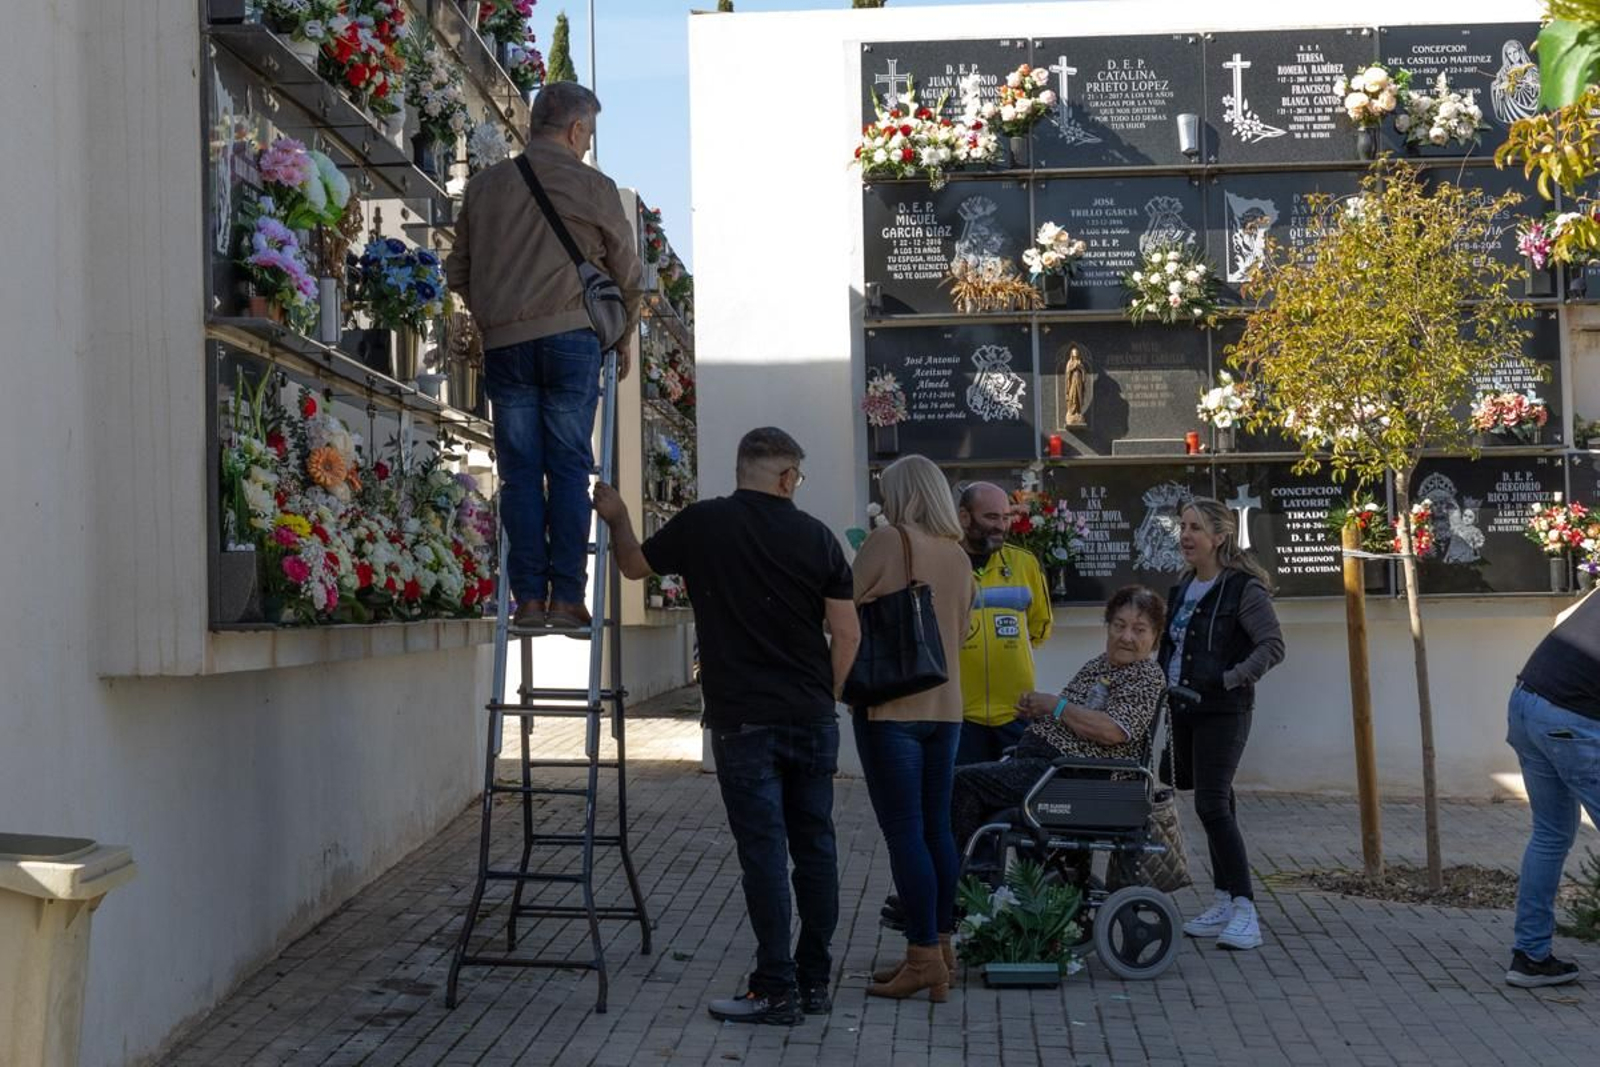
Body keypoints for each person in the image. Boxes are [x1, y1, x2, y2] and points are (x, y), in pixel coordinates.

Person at [591, 427, 859, 1025]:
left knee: (763, 854)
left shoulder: (703, 523)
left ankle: (775, 987)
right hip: (810, 715)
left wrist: (619, 518)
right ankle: (814, 980)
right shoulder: (818, 537)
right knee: (815, 847)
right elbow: (847, 634)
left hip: (741, 718)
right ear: (786, 478)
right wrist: (830, 693)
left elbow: (633, 567)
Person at [445, 81, 643, 632]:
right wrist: (622, 332)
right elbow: (627, 272)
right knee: (569, 468)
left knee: (519, 475)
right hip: (571, 338)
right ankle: (568, 599)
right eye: (589, 134)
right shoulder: (593, 185)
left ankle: (529, 599)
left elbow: (457, 270)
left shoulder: (484, 187)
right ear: (576, 130)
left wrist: (496, 311)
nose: (587, 144)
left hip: (504, 344)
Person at [851, 456, 975, 1003]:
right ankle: (941, 950)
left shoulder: (887, 541)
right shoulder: (958, 555)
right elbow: (962, 632)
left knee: (904, 833)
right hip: (946, 709)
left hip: (892, 708)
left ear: (903, 493)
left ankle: (923, 957)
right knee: (936, 831)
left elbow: (839, 611)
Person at [949, 586, 1169, 859]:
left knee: (961, 782)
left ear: (1155, 636)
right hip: (1048, 768)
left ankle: (963, 875)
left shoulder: (1145, 675)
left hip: (1075, 776)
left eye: (1139, 630)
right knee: (966, 782)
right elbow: (1071, 716)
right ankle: (980, 872)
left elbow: (1112, 730)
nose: (1126, 637)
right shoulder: (1098, 665)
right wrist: (1039, 710)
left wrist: (1055, 706)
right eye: (1119, 625)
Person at [1159, 497, 1284, 952]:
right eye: (1183, 527)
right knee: (1215, 801)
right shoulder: (1182, 586)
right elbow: (1171, 646)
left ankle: (1246, 909)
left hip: (1224, 710)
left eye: (1195, 528)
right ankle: (1223, 899)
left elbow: (1271, 646)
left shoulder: (1242, 588)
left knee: (1211, 804)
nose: (1186, 536)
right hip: (1182, 708)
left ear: (1219, 536)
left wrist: (1230, 678)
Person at [1504, 586, 1600, 988]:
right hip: (1568, 720)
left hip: (1526, 703)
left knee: (1551, 833)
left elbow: (1564, 622)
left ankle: (1529, 956)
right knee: (1551, 834)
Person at [954, 482, 1054, 766]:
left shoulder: (1025, 563)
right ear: (964, 517)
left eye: (1006, 517)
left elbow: (1040, 627)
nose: (1001, 525)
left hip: (1016, 713)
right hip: (959, 715)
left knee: (1017, 791)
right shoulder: (944, 563)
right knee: (960, 791)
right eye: (991, 517)